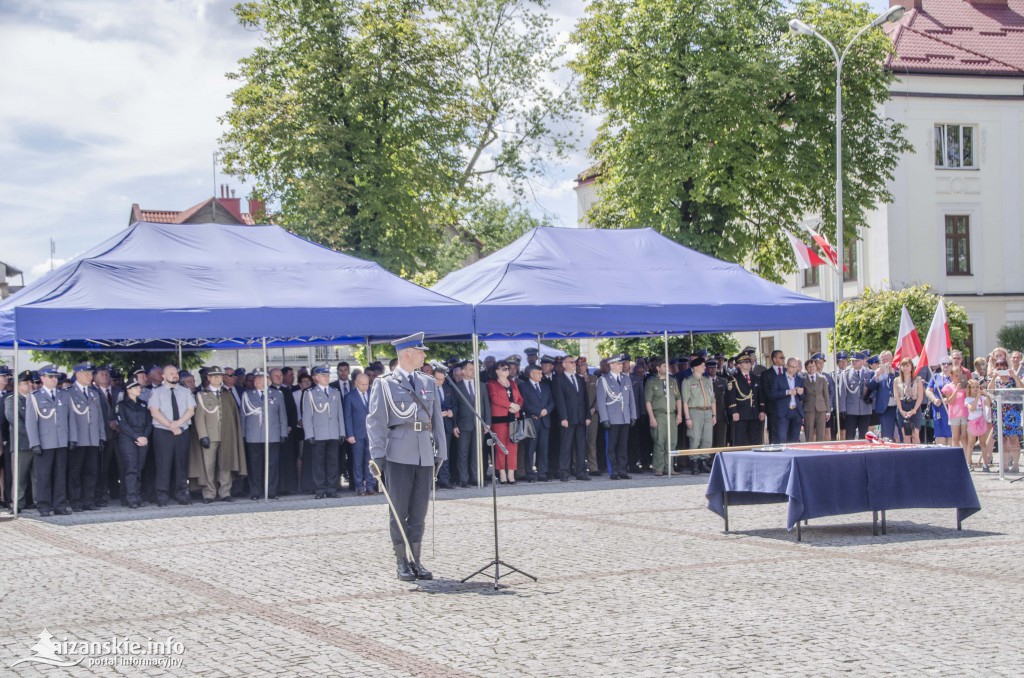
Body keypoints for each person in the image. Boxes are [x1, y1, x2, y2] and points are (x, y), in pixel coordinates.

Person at [367, 332, 447, 581]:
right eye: (420, 351)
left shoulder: (427, 382)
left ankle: (417, 560)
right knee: (399, 510)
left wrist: (440, 451)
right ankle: (402, 561)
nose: (425, 355)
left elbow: (436, 422)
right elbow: (376, 422)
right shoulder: (384, 383)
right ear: (407, 354)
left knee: (419, 510)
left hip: (424, 452)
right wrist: (377, 455)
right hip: (398, 454)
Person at [191, 367, 247, 503]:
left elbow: (233, 415)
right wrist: (203, 435)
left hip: (227, 435)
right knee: (208, 466)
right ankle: (209, 493)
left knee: (225, 464)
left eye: (219, 376)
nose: (217, 379)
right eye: (214, 376)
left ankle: (225, 492)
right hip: (210, 435)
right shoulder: (202, 395)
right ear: (208, 378)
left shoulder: (227, 394)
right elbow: (199, 417)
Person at [26, 365, 75, 516]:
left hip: (61, 441)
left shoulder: (64, 394)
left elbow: (70, 418)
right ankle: (44, 506)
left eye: (55, 377)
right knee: (44, 476)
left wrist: (72, 438)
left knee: (61, 475)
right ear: (42, 378)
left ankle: (60, 505)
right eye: (50, 376)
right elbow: (31, 422)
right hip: (45, 443)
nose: (54, 379)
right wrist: (35, 443)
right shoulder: (35, 396)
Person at [148, 365, 197, 507]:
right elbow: (154, 412)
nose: (174, 375)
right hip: (163, 431)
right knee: (163, 464)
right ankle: (162, 495)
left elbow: (191, 410)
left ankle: (181, 493)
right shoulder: (156, 392)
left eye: (176, 372)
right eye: (171, 373)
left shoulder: (185, 391)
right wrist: (170, 425)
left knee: (181, 463)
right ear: (163, 376)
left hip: (182, 430)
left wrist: (178, 424)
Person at [241, 369, 287, 500]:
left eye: (262, 378)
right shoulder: (247, 395)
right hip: (253, 435)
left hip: (272, 434)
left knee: (272, 465)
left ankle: (271, 491)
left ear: (268, 380)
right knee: (255, 465)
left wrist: (283, 432)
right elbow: (243, 416)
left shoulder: (277, 394)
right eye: (256, 379)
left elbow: (282, 415)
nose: (259, 381)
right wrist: (243, 434)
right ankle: (255, 491)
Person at [302, 366, 346, 499]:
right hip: (318, 433)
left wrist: (342, 431)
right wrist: (309, 434)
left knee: (333, 462)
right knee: (318, 463)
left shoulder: (335, 392)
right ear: (316, 378)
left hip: (333, 432)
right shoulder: (310, 393)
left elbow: (340, 414)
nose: (326, 378)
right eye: (323, 375)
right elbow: (307, 415)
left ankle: (332, 489)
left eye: (327, 375)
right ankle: (320, 489)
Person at [66, 363, 105, 511]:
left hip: (92, 438)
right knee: (76, 472)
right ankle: (76, 501)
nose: (90, 376)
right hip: (77, 439)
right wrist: (71, 438)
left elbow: (99, 417)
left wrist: (101, 436)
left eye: (91, 373)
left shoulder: (94, 393)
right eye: (86, 374)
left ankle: (88, 501)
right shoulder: (68, 392)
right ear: (77, 374)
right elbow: (68, 418)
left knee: (91, 471)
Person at [596, 354, 637, 480]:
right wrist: (604, 418)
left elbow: (631, 399)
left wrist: (633, 415)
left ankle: (622, 470)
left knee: (623, 447)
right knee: (611, 447)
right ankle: (613, 471)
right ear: (612, 365)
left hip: (624, 417)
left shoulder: (626, 379)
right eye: (618, 364)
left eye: (621, 364)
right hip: (612, 418)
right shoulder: (604, 380)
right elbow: (601, 401)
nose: (621, 366)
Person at [451, 360, 491, 488]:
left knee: (477, 452)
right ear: (462, 371)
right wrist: (454, 424)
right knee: (463, 453)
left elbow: (486, 405)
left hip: (479, 424)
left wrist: (487, 423)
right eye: (470, 369)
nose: (473, 371)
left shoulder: (482, 385)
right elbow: (455, 407)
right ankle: (464, 478)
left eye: (474, 369)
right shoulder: (457, 386)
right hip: (463, 424)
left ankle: (476, 477)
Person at [553, 354, 591, 482]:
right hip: (568, 419)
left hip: (580, 418)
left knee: (581, 446)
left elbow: (585, 399)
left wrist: (587, 415)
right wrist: (563, 417)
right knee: (566, 446)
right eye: (571, 362)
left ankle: (581, 472)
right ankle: (564, 472)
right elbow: (560, 400)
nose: (574, 364)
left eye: (574, 362)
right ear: (564, 365)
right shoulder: (559, 379)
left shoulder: (579, 379)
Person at [116, 379, 152, 509]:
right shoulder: (122, 405)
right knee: (131, 467)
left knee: (139, 468)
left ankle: (136, 495)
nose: (139, 389)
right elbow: (123, 424)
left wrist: (145, 436)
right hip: (128, 438)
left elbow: (149, 422)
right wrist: (137, 436)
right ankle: (131, 497)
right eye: (135, 387)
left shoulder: (143, 404)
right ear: (129, 390)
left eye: (139, 387)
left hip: (142, 437)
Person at [487, 361, 524, 485]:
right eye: (503, 369)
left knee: (513, 447)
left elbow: (520, 398)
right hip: (500, 420)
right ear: (497, 371)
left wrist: (517, 406)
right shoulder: (492, 384)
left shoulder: (513, 383)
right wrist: (510, 405)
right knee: (501, 447)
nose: (506, 370)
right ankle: (502, 473)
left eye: (507, 369)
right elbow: (494, 398)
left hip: (514, 418)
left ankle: (511, 474)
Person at [4, 370, 36, 513]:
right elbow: (15, 422)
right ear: (17, 385)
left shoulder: (35, 398)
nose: (30, 385)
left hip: (37, 444)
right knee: (19, 478)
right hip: (22, 444)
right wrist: (34, 436)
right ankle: (17, 504)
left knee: (37, 477)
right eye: (25, 383)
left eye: (30, 382)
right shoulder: (12, 399)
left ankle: (37, 501)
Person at [645, 358, 681, 476]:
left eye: (668, 366)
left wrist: (679, 414)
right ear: (658, 368)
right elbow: (648, 401)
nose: (667, 368)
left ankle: (669, 467)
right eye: (664, 366)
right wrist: (651, 417)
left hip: (671, 414)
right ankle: (658, 467)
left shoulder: (672, 381)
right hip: (659, 415)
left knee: (672, 442)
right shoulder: (651, 382)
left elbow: (678, 399)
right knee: (660, 441)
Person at [680, 357, 715, 474]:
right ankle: (694, 463)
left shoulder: (707, 380)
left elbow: (713, 399)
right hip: (694, 411)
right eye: (702, 365)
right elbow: (684, 401)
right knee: (695, 438)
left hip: (708, 411)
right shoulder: (688, 381)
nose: (704, 367)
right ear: (695, 367)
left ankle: (703, 461)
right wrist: (687, 417)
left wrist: (714, 414)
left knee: (707, 439)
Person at [989, 356, 1023, 473]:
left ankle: (1016, 465)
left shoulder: (1012, 379)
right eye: (998, 366)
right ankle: (1004, 465)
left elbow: (1021, 389)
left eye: (1003, 366)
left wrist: (1014, 375)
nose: (1001, 368)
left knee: (1014, 439)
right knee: (1001, 439)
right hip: (998, 412)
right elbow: (990, 392)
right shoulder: (995, 380)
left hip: (1012, 413)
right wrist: (993, 378)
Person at [520, 364, 554, 481]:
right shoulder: (523, 386)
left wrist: (546, 411)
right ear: (531, 374)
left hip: (545, 422)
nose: (541, 375)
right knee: (530, 449)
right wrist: (538, 412)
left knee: (543, 449)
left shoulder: (545, 386)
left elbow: (551, 402)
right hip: (532, 422)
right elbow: (525, 404)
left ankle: (542, 473)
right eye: (538, 373)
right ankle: (529, 473)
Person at [344, 373, 375, 496]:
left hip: (371, 433)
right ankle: (359, 486)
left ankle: (370, 485)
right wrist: (349, 434)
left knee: (370, 461)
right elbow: (347, 417)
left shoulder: (373, 393)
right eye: (362, 384)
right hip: (357, 434)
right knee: (357, 461)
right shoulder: (349, 396)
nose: (365, 387)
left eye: (367, 384)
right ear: (356, 383)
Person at [726, 353, 765, 446]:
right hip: (741, 414)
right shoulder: (733, 379)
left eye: (749, 362)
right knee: (740, 441)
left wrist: (762, 410)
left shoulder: (756, 378)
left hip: (754, 414)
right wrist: (734, 411)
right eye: (746, 362)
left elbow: (760, 396)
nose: (749, 364)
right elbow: (730, 397)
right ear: (739, 365)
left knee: (755, 440)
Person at [769, 358, 805, 444]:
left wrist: (801, 393)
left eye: (796, 367)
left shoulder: (799, 379)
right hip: (784, 412)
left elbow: (803, 396)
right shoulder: (778, 378)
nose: (794, 369)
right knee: (782, 438)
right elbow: (773, 394)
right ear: (786, 366)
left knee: (795, 438)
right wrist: (787, 392)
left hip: (796, 411)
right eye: (792, 367)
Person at [433, 366, 458, 489]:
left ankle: (444, 479)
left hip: (447, 424)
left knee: (445, 453)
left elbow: (454, 404)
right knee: (432, 454)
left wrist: (451, 412)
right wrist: (437, 414)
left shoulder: (448, 388)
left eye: (442, 379)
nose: (439, 382)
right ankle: (433, 480)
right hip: (432, 426)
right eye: (437, 379)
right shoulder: (428, 390)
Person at [839, 351, 873, 440]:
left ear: (862, 361)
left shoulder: (869, 373)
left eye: (856, 360)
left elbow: (874, 388)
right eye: (852, 360)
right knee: (850, 435)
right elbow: (842, 392)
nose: (853, 362)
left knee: (864, 434)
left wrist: (871, 398)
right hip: (851, 410)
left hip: (865, 408)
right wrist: (842, 408)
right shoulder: (846, 373)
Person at [867, 351, 899, 440]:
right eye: (882, 360)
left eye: (887, 359)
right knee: (887, 436)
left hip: (899, 407)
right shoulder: (876, 373)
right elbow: (871, 387)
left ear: (892, 359)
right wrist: (876, 376)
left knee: (903, 433)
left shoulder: (898, 373)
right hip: (885, 408)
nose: (885, 362)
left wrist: (892, 375)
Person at [894, 358, 924, 444]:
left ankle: (918, 455)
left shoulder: (917, 379)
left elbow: (920, 397)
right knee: (906, 436)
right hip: (902, 406)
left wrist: (914, 410)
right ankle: (908, 455)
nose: (905, 368)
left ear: (911, 367)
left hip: (915, 406)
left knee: (915, 435)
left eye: (907, 366)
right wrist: (901, 410)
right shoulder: (896, 380)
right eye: (903, 366)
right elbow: (896, 397)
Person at [926, 357, 954, 446]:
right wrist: (934, 399)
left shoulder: (955, 377)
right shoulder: (935, 376)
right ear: (940, 365)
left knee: (951, 435)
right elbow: (928, 390)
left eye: (949, 363)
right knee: (939, 435)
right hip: (938, 409)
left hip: (952, 410)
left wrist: (949, 399)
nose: (946, 365)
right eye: (943, 363)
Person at [942, 369, 970, 458]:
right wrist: (956, 390)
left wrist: (967, 391)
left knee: (964, 437)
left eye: (959, 375)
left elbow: (969, 399)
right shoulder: (948, 387)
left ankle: (966, 458)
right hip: (954, 415)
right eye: (956, 375)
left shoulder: (965, 386)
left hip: (965, 413)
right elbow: (950, 401)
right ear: (952, 376)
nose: (958, 378)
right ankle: (956, 457)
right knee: (955, 437)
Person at [963, 379, 990, 471]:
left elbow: (989, 404)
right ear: (969, 389)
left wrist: (985, 394)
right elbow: (972, 409)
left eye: (977, 387)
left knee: (983, 443)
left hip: (981, 421)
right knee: (971, 444)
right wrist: (977, 398)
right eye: (973, 387)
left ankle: (985, 464)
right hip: (972, 422)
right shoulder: (967, 399)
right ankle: (968, 464)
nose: (975, 389)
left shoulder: (982, 398)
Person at [802, 358, 831, 442]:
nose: (812, 368)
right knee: (809, 432)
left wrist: (828, 410)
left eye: (813, 366)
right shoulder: (803, 379)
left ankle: (820, 449)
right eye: (809, 366)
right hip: (808, 408)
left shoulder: (822, 378)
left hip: (821, 407)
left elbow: (826, 395)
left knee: (821, 432)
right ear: (806, 368)